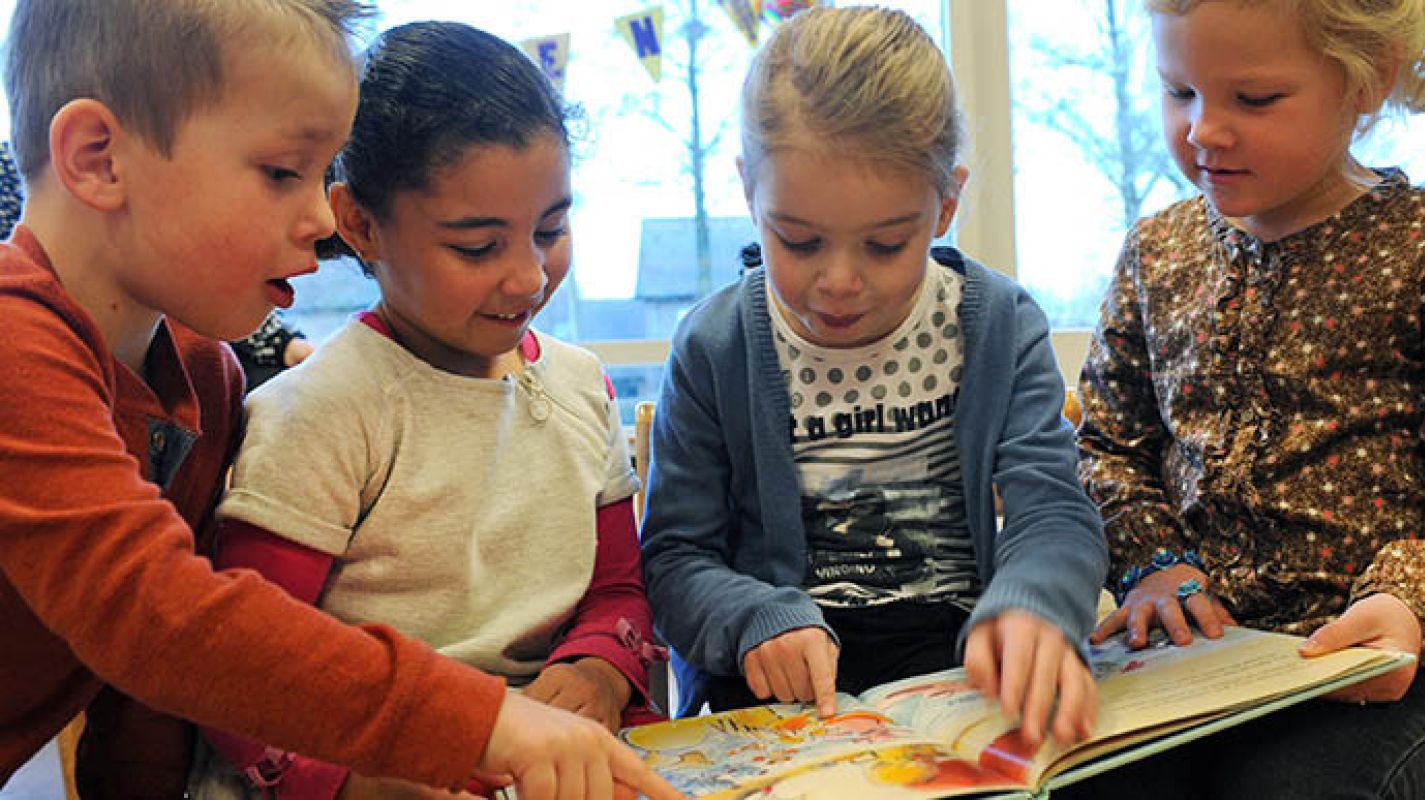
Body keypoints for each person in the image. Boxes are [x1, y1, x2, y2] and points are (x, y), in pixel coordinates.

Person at [0, 1, 680, 799]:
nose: (325, 218)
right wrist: (477, 721)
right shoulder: (13, 347)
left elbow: (149, 696)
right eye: (284, 173)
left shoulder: (202, 376)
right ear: (98, 158)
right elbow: (157, 618)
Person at [1069, 0, 1425, 797]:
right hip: (1196, 654)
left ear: (1366, 83)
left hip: (1397, 662)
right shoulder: (1155, 254)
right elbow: (1108, 448)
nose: (1203, 130)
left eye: (1252, 100)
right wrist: (1153, 565)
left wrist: (1412, 604)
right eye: (1178, 91)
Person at [187, 20, 664, 799]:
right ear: (361, 224)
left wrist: (597, 672)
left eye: (551, 229)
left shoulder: (580, 386)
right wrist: (354, 781)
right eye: (476, 248)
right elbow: (241, 672)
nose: (528, 277)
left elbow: (616, 591)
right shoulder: (322, 413)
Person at [639, 5, 1108, 750]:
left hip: (956, 664)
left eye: (886, 245)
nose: (839, 282)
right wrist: (756, 619)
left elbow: (1051, 514)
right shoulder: (715, 344)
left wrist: (1030, 605)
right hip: (778, 678)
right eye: (797, 240)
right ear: (747, 193)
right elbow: (672, 561)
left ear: (945, 203)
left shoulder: (995, 323)